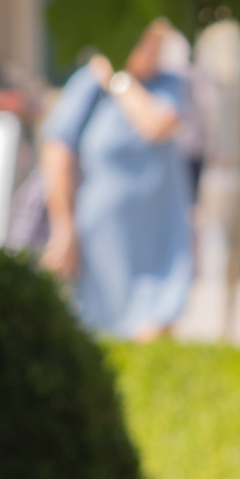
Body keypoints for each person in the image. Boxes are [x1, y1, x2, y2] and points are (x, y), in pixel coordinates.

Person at [39, 22, 198, 340]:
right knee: (106, 327)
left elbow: (156, 125)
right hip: (104, 234)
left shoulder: (170, 85)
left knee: (157, 323)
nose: (153, 52)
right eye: (145, 42)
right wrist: (63, 224)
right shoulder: (87, 86)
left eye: (158, 44)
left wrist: (117, 80)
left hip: (159, 230)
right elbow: (56, 151)